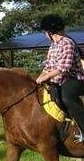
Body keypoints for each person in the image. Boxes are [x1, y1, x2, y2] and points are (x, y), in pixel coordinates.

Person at [35, 14, 84, 142]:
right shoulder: (53, 46)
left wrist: (45, 77)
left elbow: (64, 68)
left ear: (49, 32)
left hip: (74, 79)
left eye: (45, 32)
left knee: (66, 97)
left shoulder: (67, 43)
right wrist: (39, 78)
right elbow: (48, 65)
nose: (45, 34)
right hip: (60, 79)